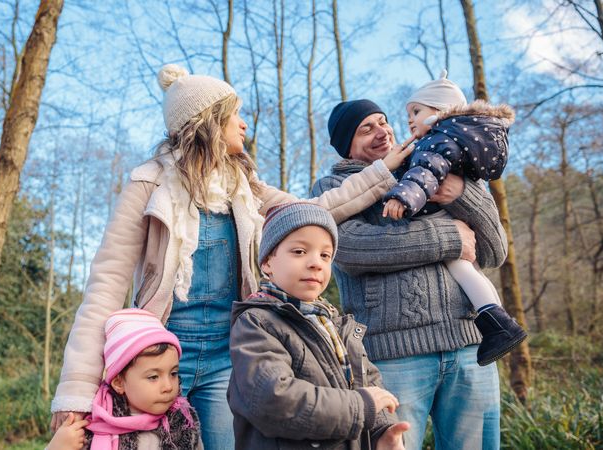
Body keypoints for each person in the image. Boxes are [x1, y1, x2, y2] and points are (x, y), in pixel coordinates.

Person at [50, 64, 411, 449]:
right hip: (163, 360)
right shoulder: (147, 185)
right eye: (234, 115)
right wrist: (76, 391)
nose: (243, 124)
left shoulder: (245, 187)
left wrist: (381, 172)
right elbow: (105, 287)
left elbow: (314, 209)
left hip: (230, 355)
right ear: (207, 122)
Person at [312, 98, 508, 450]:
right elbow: (352, 249)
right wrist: (451, 237)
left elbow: (495, 249)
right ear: (346, 144)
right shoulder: (330, 189)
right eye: (365, 128)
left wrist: (462, 193)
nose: (381, 131)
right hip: (393, 356)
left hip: (469, 346)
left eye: (383, 121)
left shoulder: (436, 163)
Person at [227, 202, 410, 449]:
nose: (316, 263)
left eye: (325, 255)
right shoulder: (257, 323)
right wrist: (359, 407)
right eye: (300, 251)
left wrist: (382, 430)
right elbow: (273, 397)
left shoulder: (335, 323)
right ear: (268, 262)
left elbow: (368, 383)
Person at [381, 71, 526, 366]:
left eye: (416, 111)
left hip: (442, 215)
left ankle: (497, 322)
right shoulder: (456, 137)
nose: (409, 119)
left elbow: (426, 172)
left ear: (440, 111)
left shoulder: (436, 142)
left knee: (461, 267)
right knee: (466, 269)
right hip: (451, 221)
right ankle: (495, 320)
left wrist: (402, 196)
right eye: (409, 113)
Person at [83, 309, 202, 449]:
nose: (168, 386)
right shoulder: (88, 431)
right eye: (153, 377)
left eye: (173, 373)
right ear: (119, 383)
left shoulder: (184, 426)